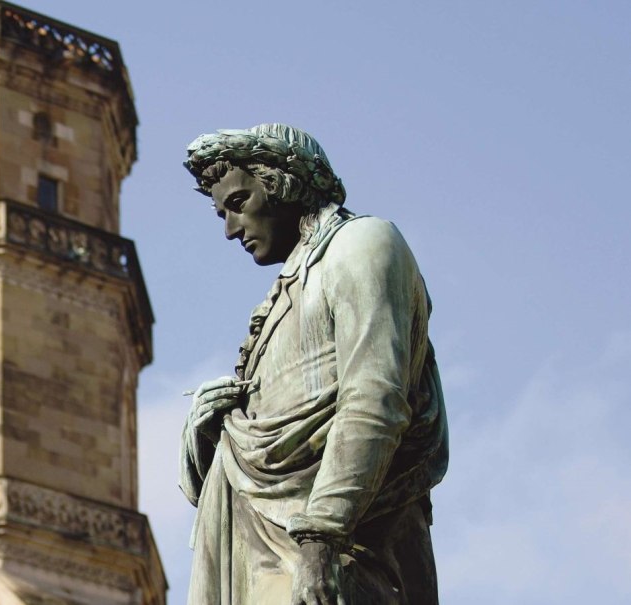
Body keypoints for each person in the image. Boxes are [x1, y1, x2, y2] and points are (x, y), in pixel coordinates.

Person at [179, 124, 448, 604]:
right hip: (257, 559)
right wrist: (208, 428)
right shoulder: (283, 295)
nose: (229, 230)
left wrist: (320, 539)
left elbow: (375, 399)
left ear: (283, 183)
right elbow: (247, 458)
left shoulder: (361, 243)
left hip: (331, 558)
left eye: (239, 203)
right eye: (221, 213)